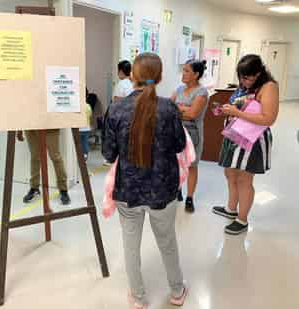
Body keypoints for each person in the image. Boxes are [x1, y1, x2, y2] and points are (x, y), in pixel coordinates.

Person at [103, 53, 188, 308]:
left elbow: (108, 154)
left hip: (128, 192)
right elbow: (179, 145)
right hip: (163, 190)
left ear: (132, 76)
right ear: (160, 77)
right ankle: (177, 292)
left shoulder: (116, 109)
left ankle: (138, 298)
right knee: (168, 242)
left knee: (131, 246)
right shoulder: (169, 108)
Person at [212, 54, 279, 235]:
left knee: (244, 179)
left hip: (252, 139)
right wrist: (226, 111)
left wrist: (237, 113)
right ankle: (231, 208)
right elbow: (239, 105)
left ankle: (242, 220)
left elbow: (268, 118)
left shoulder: (269, 87)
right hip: (234, 134)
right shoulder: (244, 85)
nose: (243, 81)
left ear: (258, 73)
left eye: (247, 77)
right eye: (241, 77)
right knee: (230, 173)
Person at [171, 60, 208, 213]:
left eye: (187, 71)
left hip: (193, 133)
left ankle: (190, 198)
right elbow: (169, 106)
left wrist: (179, 109)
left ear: (196, 74)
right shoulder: (179, 89)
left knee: (191, 166)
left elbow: (193, 114)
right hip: (176, 131)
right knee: (176, 162)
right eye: (183, 70)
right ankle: (177, 190)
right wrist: (184, 109)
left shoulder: (201, 92)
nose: (183, 74)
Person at [17, 130, 71, 205]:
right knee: (35, 157)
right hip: (31, 126)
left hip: (49, 126)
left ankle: (63, 189)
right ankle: (34, 187)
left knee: (55, 157)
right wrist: (19, 129)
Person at [80, 91, 93, 161]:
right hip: (86, 128)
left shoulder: (77, 106)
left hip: (78, 129)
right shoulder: (88, 106)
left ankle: (79, 157)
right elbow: (90, 115)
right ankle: (85, 156)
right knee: (85, 143)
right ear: (87, 96)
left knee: (78, 144)